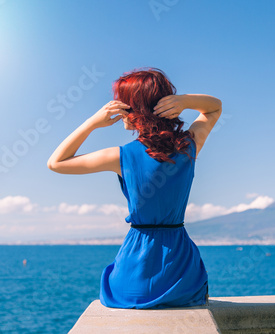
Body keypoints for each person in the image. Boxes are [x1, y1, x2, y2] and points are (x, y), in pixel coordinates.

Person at [47, 67, 222, 309]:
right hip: (181, 274)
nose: (118, 110)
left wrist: (92, 123)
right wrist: (184, 101)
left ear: (137, 110)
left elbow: (56, 163)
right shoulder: (188, 146)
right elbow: (214, 107)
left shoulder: (120, 156)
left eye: (123, 104)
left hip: (134, 276)